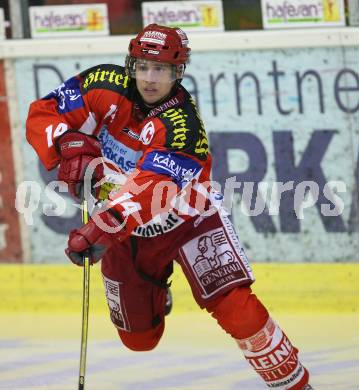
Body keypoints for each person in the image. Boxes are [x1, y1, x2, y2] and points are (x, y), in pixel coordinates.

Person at [26, 24, 313, 389]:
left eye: (161, 69)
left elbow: (152, 191)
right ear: (131, 64)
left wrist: (101, 227)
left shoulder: (182, 126)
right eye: (143, 66)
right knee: (139, 340)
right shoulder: (102, 83)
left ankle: (298, 385)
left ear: (178, 73)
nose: (149, 78)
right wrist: (66, 141)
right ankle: (156, 289)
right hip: (127, 232)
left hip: (190, 221)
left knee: (237, 309)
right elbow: (43, 112)